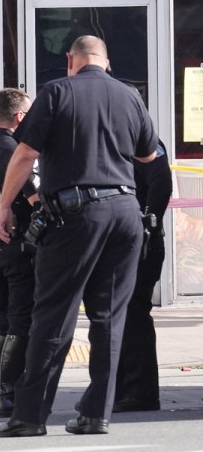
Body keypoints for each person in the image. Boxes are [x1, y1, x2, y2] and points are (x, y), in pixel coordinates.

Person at [0, 35, 157, 438]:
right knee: (109, 319)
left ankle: (30, 417)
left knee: (54, 315)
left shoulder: (56, 92)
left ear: (71, 59)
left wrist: (3, 207)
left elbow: (26, 154)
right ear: (107, 61)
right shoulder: (130, 96)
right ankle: (96, 413)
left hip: (76, 215)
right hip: (125, 213)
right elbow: (148, 156)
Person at [0, 88, 39, 418]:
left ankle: (1, 390)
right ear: (19, 117)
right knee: (20, 319)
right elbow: (35, 200)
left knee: (1, 318)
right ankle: (8, 393)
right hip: (18, 246)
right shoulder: (21, 152)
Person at [113, 139, 172, 411]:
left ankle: (140, 392)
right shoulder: (114, 140)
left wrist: (147, 223)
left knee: (134, 314)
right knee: (118, 316)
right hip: (120, 241)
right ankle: (120, 390)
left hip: (141, 242)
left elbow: (161, 182)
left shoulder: (145, 141)